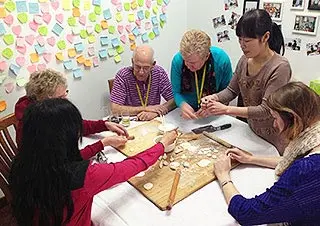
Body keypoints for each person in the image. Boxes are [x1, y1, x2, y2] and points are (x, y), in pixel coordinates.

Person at [10, 98, 177, 226]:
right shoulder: (84, 177)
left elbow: (63, 161)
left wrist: (102, 143)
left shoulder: (23, 163)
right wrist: (161, 145)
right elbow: (132, 166)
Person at [214, 82, 320, 225]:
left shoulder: (306, 170)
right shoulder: (314, 138)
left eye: (275, 118)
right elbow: (290, 160)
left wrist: (224, 176)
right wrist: (250, 158)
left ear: (293, 118)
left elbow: (246, 214)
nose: (274, 125)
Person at [201, 9, 292, 154]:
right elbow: (231, 90)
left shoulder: (280, 67)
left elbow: (266, 109)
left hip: (274, 138)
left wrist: (226, 109)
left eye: (248, 41)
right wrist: (214, 98)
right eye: (240, 40)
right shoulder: (244, 60)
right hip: (252, 132)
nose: (242, 45)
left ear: (265, 37)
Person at [15, 69, 128, 160]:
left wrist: (104, 125)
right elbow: (69, 160)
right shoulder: (36, 125)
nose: (65, 99)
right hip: (44, 181)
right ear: (44, 99)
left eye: (65, 93)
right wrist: (103, 144)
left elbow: (73, 125)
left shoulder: (46, 110)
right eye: (60, 97)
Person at [170, 29, 233, 120]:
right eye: (185, 60)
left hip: (214, 113)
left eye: (192, 63)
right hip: (187, 114)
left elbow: (227, 92)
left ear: (206, 56)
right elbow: (176, 92)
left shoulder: (221, 60)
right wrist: (182, 104)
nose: (187, 65)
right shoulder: (178, 60)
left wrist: (213, 107)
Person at [110, 45, 176, 121]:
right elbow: (115, 109)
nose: (141, 72)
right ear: (132, 62)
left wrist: (156, 112)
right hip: (130, 121)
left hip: (153, 119)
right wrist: (147, 109)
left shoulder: (159, 73)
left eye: (146, 68)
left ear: (153, 65)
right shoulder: (123, 76)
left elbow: (174, 100)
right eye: (137, 67)